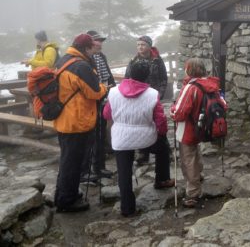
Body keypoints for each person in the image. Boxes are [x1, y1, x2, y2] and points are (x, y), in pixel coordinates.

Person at [103, 61, 174, 217]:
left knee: (124, 172)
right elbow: (160, 120)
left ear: (129, 73)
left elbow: (106, 114)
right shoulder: (152, 94)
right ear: (147, 76)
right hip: (146, 138)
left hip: (121, 139)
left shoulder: (113, 92)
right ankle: (162, 180)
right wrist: (161, 134)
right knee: (162, 149)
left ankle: (127, 208)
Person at [53, 33, 108, 213]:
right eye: (92, 48)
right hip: (77, 121)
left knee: (67, 160)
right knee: (73, 162)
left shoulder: (63, 60)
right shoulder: (81, 66)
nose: (94, 51)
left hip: (65, 119)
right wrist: (104, 87)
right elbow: (95, 92)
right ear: (85, 48)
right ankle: (67, 201)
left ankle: (63, 194)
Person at [170, 58, 219, 208]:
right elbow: (223, 104)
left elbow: (180, 113)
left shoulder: (191, 87)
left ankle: (193, 193)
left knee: (188, 158)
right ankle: (199, 175)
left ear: (189, 70)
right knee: (196, 152)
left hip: (189, 129)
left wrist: (172, 112)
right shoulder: (211, 84)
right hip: (204, 127)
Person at [124, 35, 168, 165]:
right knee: (142, 124)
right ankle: (143, 152)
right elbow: (127, 78)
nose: (140, 47)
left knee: (158, 122)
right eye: (138, 45)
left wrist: (160, 94)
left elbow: (163, 78)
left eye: (142, 45)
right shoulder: (133, 61)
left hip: (154, 96)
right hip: (138, 96)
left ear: (149, 46)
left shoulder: (157, 60)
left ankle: (163, 149)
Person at [81, 30, 116, 182]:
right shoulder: (85, 60)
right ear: (89, 43)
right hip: (90, 102)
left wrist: (113, 90)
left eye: (101, 41)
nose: (100, 44)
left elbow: (108, 75)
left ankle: (99, 166)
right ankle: (85, 170)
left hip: (103, 99)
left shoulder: (101, 56)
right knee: (90, 137)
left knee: (100, 134)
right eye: (97, 41)